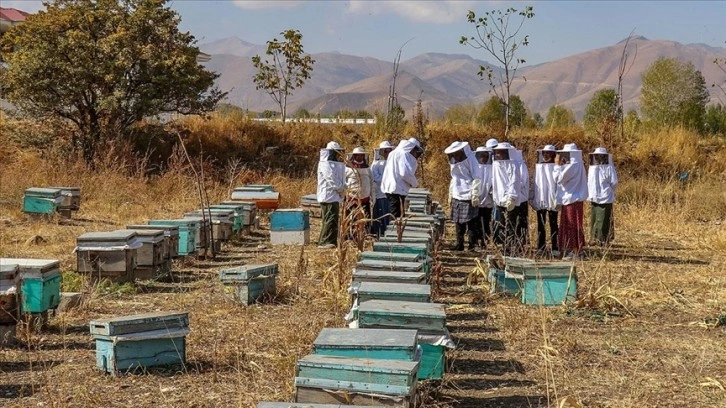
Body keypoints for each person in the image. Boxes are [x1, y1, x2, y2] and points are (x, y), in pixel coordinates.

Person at [553, 143, 588, 260]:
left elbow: (558, 179)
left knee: (572, 225)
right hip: (573, 199)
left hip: (571, 199)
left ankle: (575, 251)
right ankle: (572, 249)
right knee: (572, 225)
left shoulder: (572, 166)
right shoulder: (579, 164)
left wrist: (557, 166)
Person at [445, 141, 482, 251]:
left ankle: (472, 245)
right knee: (458, 222)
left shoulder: (471, 160)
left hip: (468, 195)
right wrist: (451, 193)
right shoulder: (454, 162)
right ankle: (459, 244)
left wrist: (475, 194)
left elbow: (477, 178)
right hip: (457, 194)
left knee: (471, 222)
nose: (455, 156)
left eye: (457, 153)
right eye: (453, 154)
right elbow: (454, 178)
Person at [381, 137, 424, 221]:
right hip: (397, 190)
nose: (415, 154)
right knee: (397, 217)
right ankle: (395, 233)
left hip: (390, 189)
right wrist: (415, 183)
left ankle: (395, 232)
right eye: (415, 151)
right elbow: (404, 173)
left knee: (395, 215)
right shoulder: (403, 154)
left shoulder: (393, 153)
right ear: (412, 148)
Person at [492, 142, 521, 254]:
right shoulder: (496, 164)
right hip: (499, 200)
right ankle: (505, 248)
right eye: (497, 152)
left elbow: (514, 181)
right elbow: (495, 181)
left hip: (510, 201)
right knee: (501, 225)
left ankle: (512, 249)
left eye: (500, 152)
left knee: (511, 226)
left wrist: (512, 197)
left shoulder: (513, 164)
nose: (498, 154)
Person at [531, 145, 560, 257]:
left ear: (553, 154)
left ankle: (555, 247)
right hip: (541, 200)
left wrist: (558, 200)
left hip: (553, 201)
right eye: (544, 153)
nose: (546, 155)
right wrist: (533, 198)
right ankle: (541, 247)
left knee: (554, 225)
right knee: (541, 225)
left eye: (548, 153)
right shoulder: (538, 167)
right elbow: (535, 183)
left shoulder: (556, 167)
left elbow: (559, 184)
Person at [316, 141, 346, 249]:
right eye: (335, 153)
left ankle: (329, 241)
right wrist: (342, 190)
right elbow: (332, 180)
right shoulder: (325, 164)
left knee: (332, 219)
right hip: (328, 196)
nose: (337, 155)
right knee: (330, 219)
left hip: (333, 196)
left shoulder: (332, 164)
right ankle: (325, 242)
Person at [587, 147, 618, 246]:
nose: (599, 158)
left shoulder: (609, 167)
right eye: (597, 156)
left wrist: (608, 191)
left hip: (605, 196)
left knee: (604, 219)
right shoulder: (592, 167)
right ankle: (594, 238)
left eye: (601, 156)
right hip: (594, 196)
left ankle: (603, 240)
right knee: (595, 218)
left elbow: (614, 182)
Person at [345, 147, 375, 238]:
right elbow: (343, 182)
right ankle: (350, 235)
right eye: (358, 155)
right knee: (352, 218)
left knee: (365, 217)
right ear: (354, 156)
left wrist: (373, 195)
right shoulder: (348, 168)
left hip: (365, 198)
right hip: (352, 198)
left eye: (362, 155)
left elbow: (371, 181)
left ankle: (364, 235)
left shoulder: (367, 168)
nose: (360, 157)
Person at [370, 141, 393, 237]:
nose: (387, 153)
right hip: (379, 193)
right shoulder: (375, 164)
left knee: (388, 213)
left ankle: (387, 232)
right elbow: (375, 177)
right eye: (385, 151)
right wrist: (386, 178)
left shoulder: (391, 163)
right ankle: (378, 233)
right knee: (379, 213)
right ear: (381, 151)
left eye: (389, 151)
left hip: (389, 192)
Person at [474, 146, 494, 248]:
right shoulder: (474, 167)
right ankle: (476, 242)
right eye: (481, 155)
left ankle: (484, 242)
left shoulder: (492, 168)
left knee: (486, 223)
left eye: (486, 156)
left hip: (488, 201)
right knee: (475, 223)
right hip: (476, 201)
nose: (483, 158)